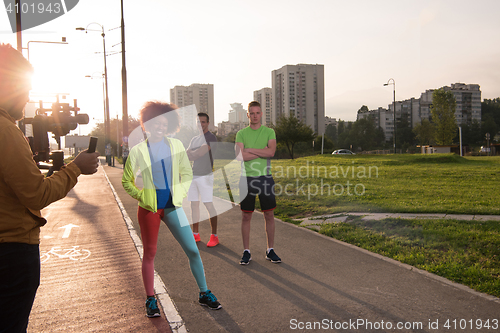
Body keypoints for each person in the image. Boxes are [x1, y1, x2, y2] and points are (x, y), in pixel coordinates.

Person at [0, 43, 100, 333]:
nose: (27, 97)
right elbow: (36, 193)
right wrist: (75, 168)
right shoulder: (6, 130)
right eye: (25, 89)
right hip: (12, 252)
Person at [122, 102, 221, 317]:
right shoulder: (138, 151)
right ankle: (150, 300)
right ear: (147, 124)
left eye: (165, 124)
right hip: (149, 209)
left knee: (193, 250)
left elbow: (186, 174)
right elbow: (126, 181)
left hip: (172, 207)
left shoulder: (176, 146)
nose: (161, 127)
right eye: (156, 123)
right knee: (150, 253)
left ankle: (204, 293)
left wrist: (180, 193)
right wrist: (142, 196)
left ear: (169, 126)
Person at [235, 101, 281, 265]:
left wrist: (249, 150)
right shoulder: (241, 134)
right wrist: (261, 152)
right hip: (246, 178)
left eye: (257, 113)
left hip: (265, 178)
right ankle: (246, 251)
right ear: (247, 115)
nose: (254, 116)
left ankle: (270, 250)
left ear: (261, 114)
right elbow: (240, 156)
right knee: (246, 216)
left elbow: (272, 152)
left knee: (269, 214)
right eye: (251, 113)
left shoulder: (269, 132)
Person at [186, 112, 219, 247]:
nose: (200, 124)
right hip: (193, 175)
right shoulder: (194, 139)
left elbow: (199, 153)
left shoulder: (211, 137)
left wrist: (194, 153)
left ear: (208, 123)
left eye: (203, 122)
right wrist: (194, 153)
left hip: (205, 176)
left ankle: (214, 236)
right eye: (198, 122)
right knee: (194, 205)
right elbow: (187, 154)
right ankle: (195, 234)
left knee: (208, 204)